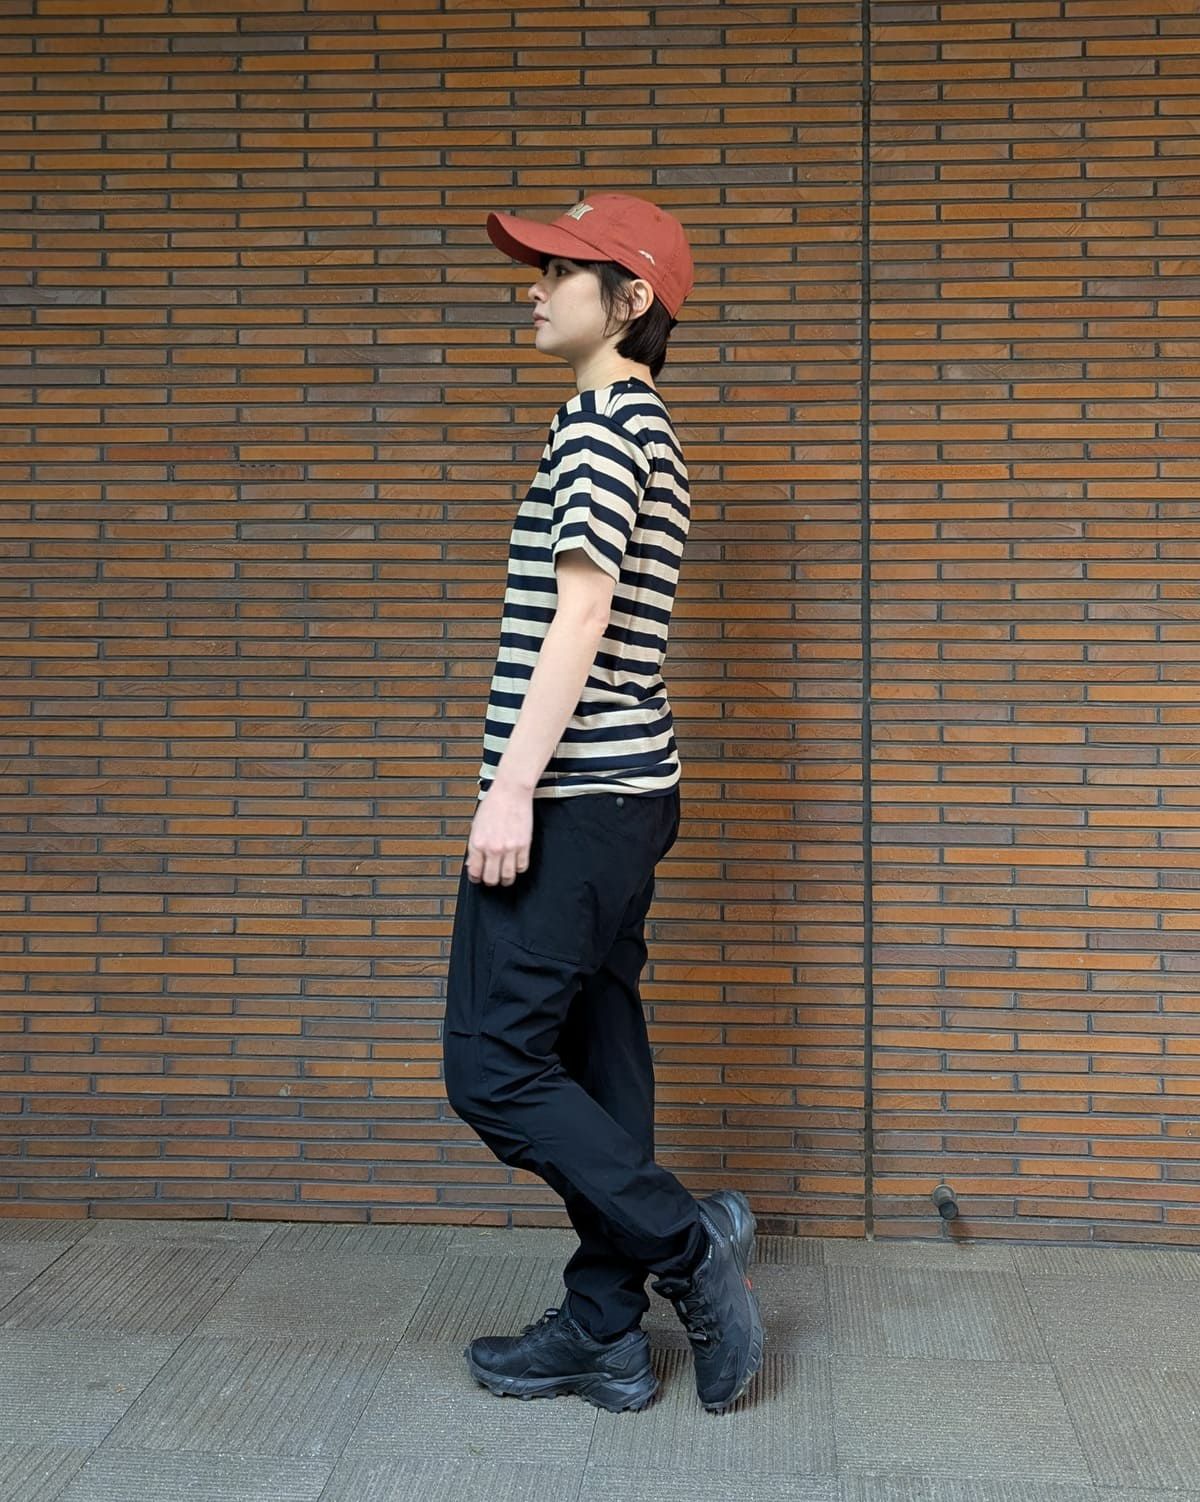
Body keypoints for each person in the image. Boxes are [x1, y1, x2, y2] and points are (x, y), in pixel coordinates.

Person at [441, 193, 763, 1415]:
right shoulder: (645, 426)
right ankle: (603, 1329)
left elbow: (580, 615)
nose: (532, 286)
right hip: (629, 791)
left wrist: (512, 787)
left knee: (493, 1066)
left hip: (575, 796)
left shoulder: (600, 425)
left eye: (559, 270)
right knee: (596, 1050)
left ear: (629, 300)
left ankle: (689, 1243)